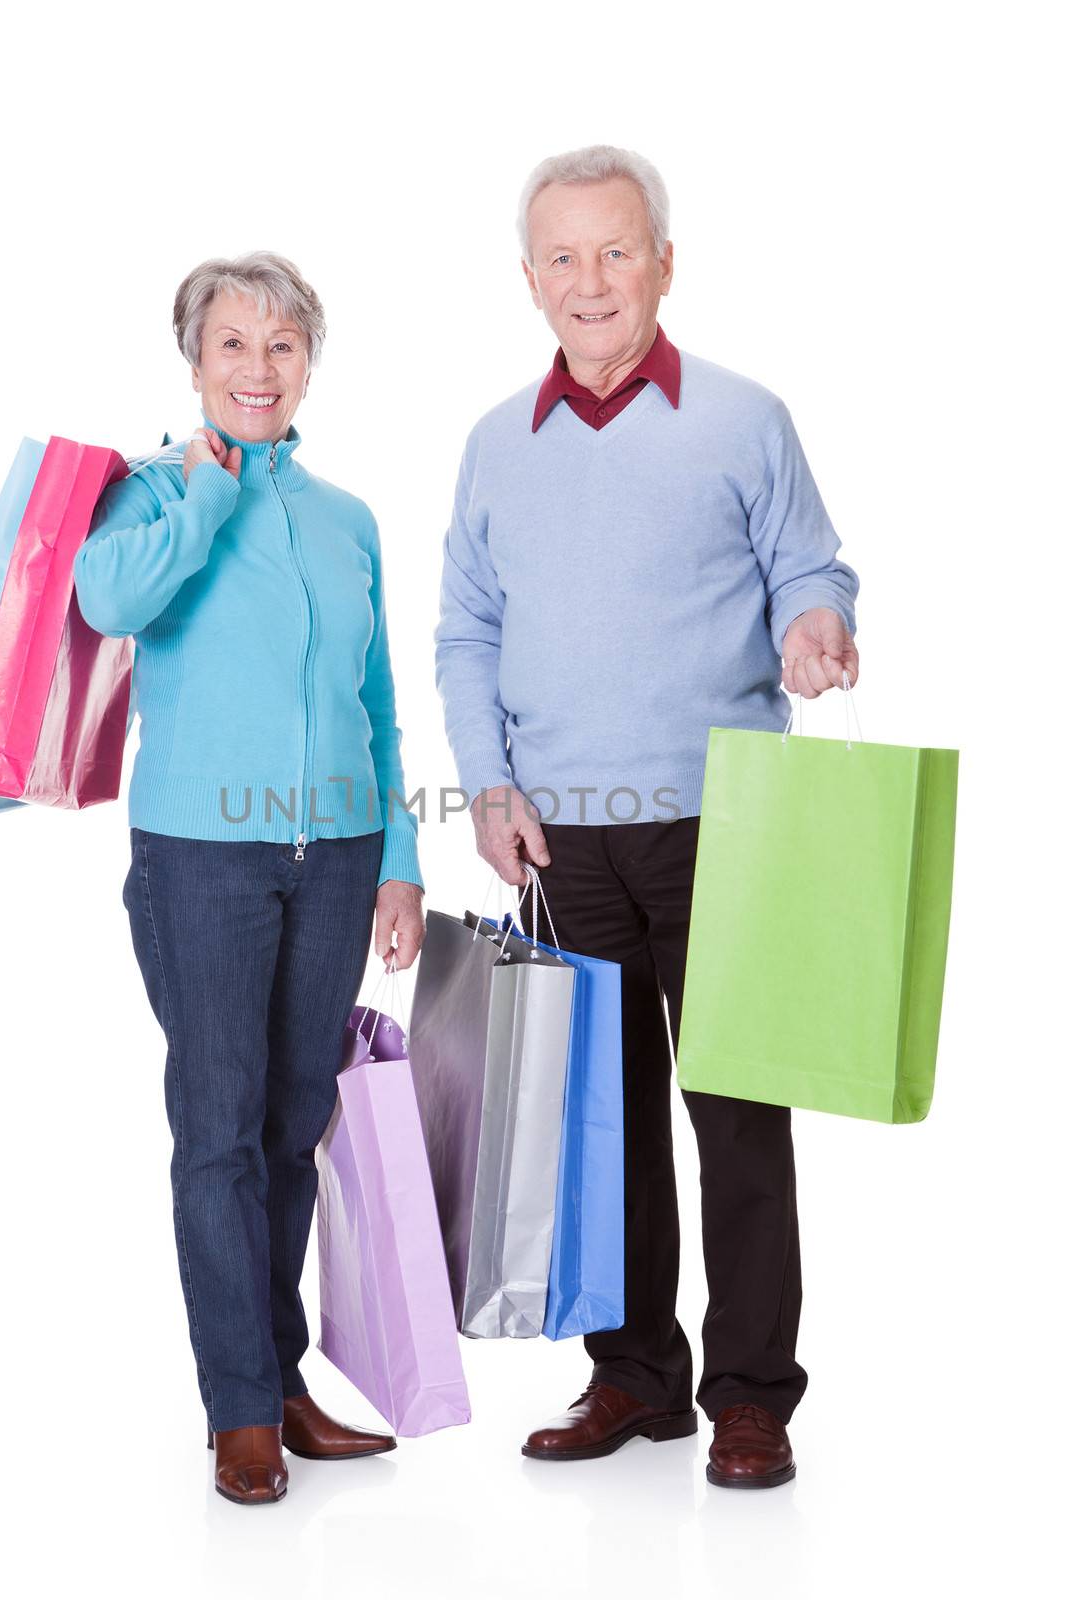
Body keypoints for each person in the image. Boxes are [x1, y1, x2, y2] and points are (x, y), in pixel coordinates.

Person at [434, 146, 861, 1489]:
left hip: (728, 819)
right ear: (528, 282)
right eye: (560, 257)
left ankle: (749, 1397)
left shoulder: (744, 418)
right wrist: (487, 786)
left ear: (662, 263)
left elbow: (811, 562)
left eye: (614, 251)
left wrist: (815, 623)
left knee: (735, 1117)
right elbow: (465, 632)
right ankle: (633, 1378)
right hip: (561, 836)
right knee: (597, 1127)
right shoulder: (495, 444)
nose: (590, 280)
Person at [74, 252, 426, 1506]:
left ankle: (280, 1384)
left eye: (281, 346)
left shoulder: (347, 519)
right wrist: (208, 499)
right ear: (195, 362)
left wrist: (398, 855)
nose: (258, 369)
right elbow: (107, 598)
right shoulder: (151, 497)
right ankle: (237, 1408)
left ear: (308, 362)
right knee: (217, 1132)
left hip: (332, 855)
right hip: (201, 857)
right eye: (233, 345)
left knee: (294, 1128)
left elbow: (375, 703)